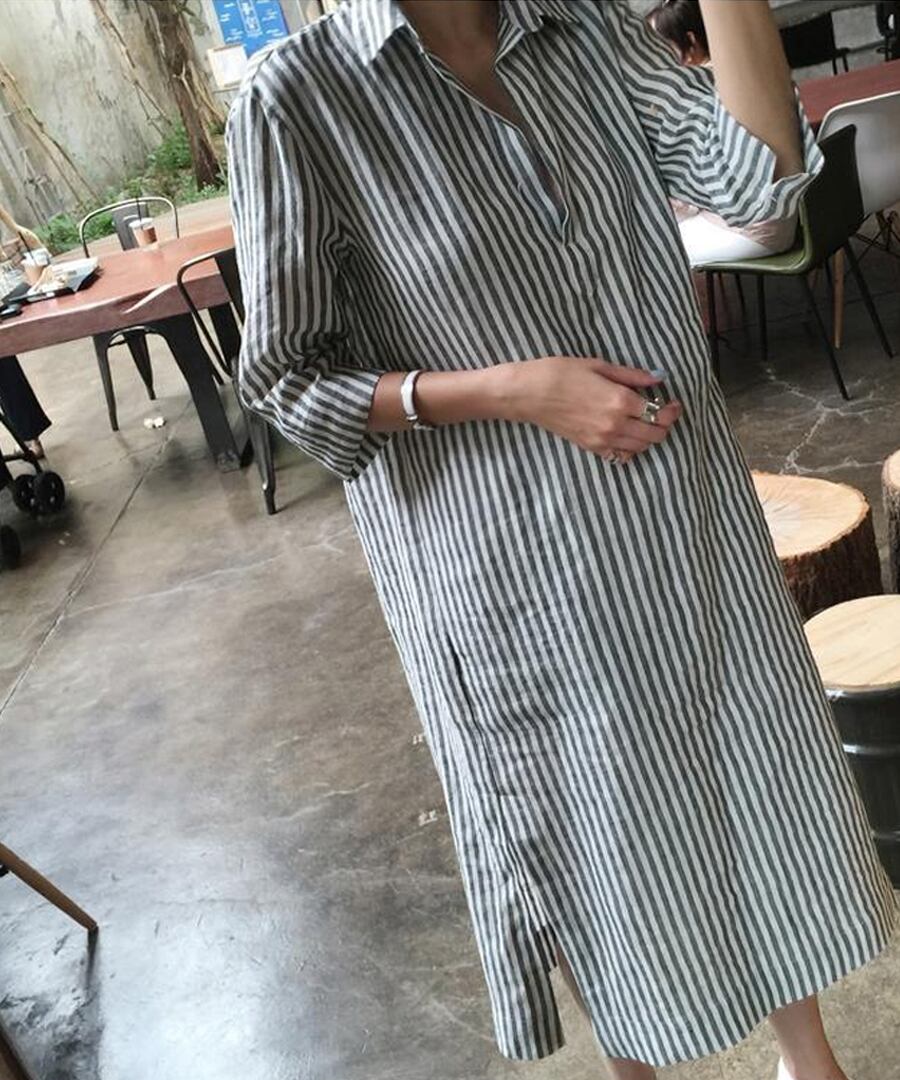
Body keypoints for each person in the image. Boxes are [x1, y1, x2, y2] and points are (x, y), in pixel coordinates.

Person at [227, 3, 897, 1079]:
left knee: (749, 770)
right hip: (510, 568)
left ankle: (809, 1060)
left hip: (686, 519)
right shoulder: (298, 100)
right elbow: (286, 384)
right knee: (593, 824)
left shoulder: (585, 29)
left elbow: (764, 193)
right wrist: (510, 390)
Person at [646, 0, 799, 264]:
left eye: (659, 49)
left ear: (690, 42)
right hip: (792, 219)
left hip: (750, 231)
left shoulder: (696, 90)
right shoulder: (741, 74)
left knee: (647, 248)